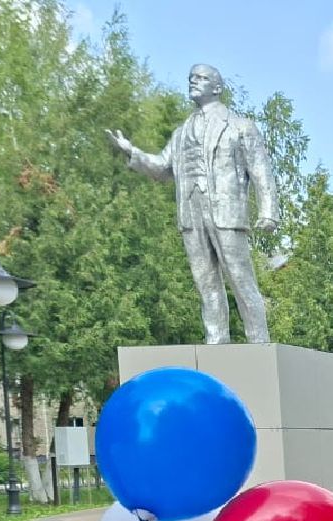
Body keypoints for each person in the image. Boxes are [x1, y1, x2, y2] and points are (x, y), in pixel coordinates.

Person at [106, 63, 277, 345]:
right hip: (191, 212)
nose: (193, 81)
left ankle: (259, 341)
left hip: (226, 213)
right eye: (191, 78)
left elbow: (261, 170)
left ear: (217, 88)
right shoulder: (181, 132)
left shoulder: (240, 126)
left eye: (201, 78)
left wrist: (268, 211)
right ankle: (216, 340)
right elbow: (162, 168)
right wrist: (131, 151)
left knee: (240, 279)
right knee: (205, 282)